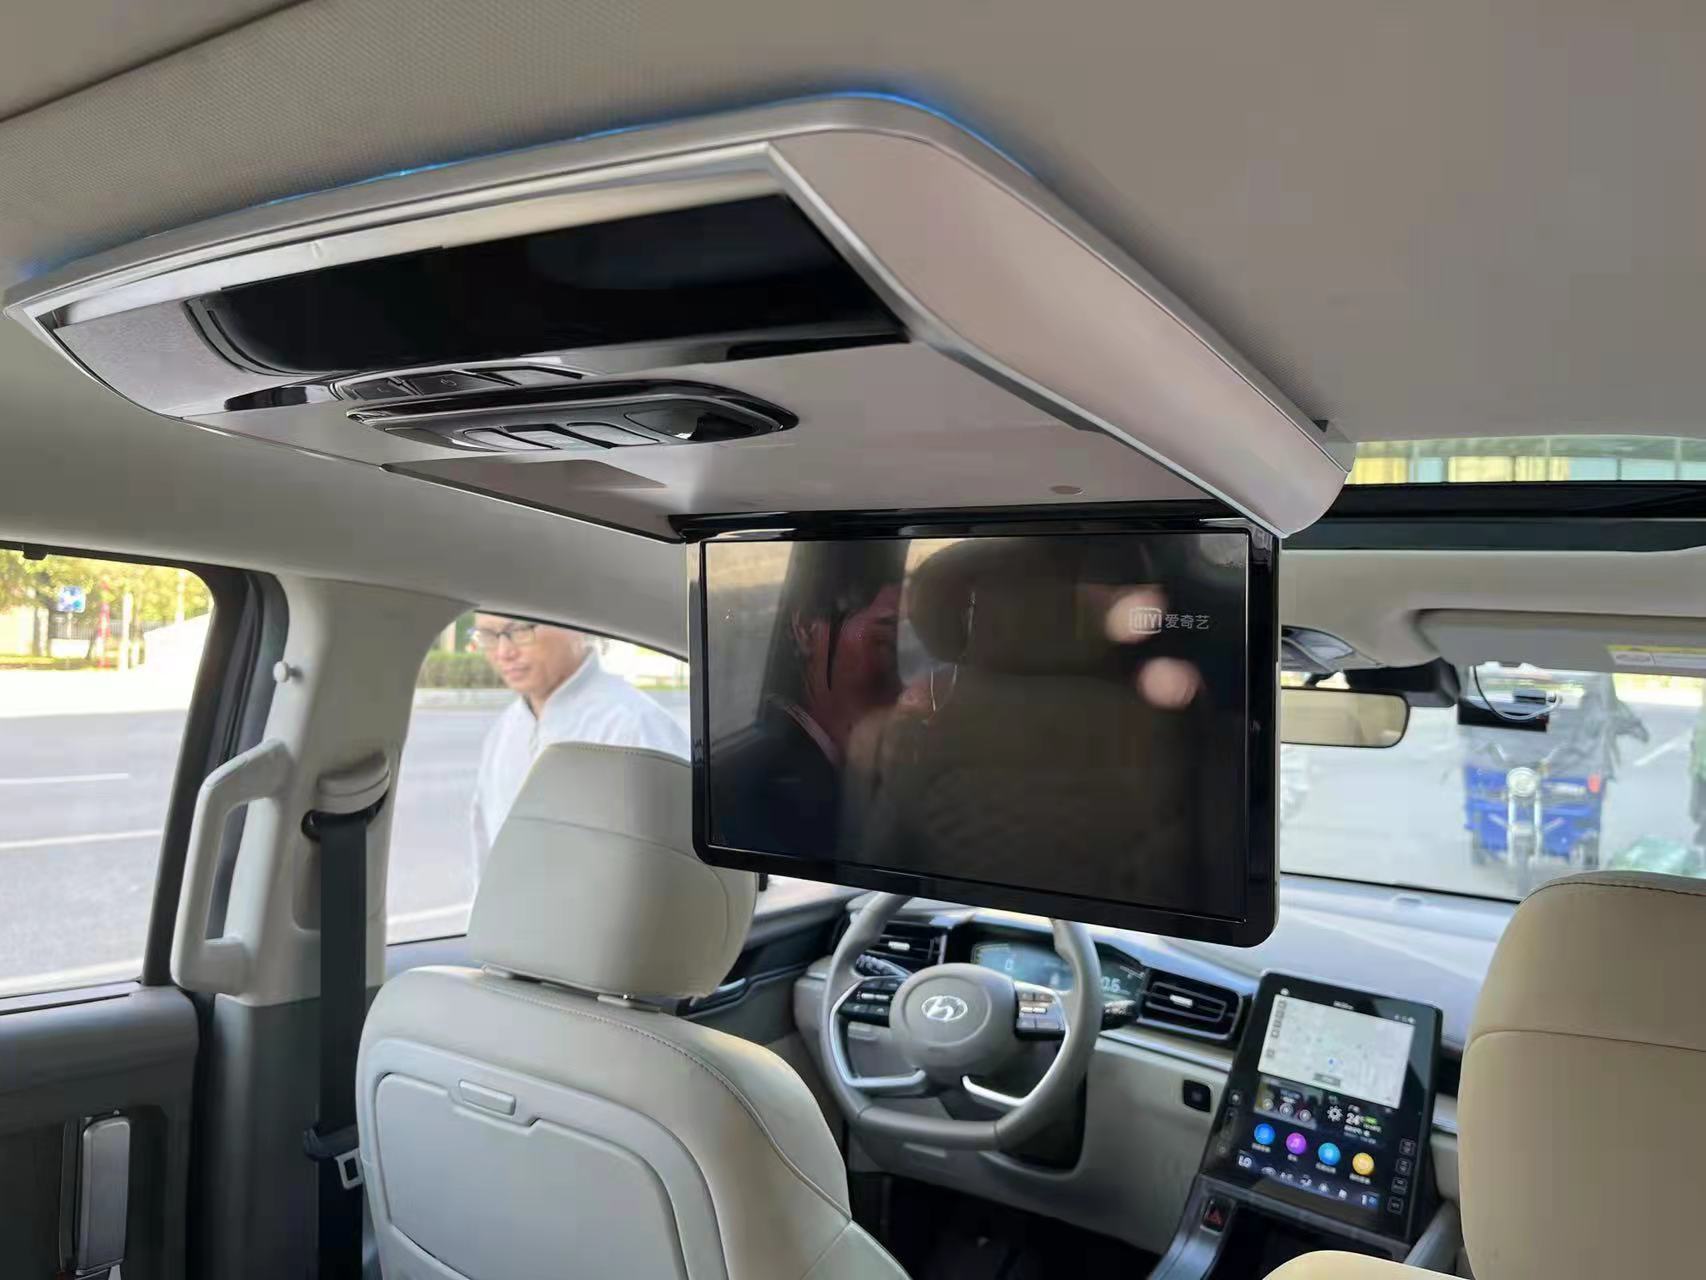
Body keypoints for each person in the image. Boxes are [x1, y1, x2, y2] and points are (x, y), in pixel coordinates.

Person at [709, 544, 905, 856]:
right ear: (807, 630)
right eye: (886, 642)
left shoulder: (868, 771)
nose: (907, 686)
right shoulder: (762, 790)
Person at [468, 614, 687, 878]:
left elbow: (674, 869)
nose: (504, 652)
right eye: (488, 636)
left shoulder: (635, 727)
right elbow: (486, 850)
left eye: (520, 630)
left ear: (573, 625)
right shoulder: (503, 731)